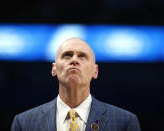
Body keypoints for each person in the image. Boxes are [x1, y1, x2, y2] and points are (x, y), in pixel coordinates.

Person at [11, 38, 141, 131]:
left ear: (95, 71)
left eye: (82, 56)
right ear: (54, 69)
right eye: (67, 55)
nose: (74, 60)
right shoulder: (24, 123)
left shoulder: (124, 122)